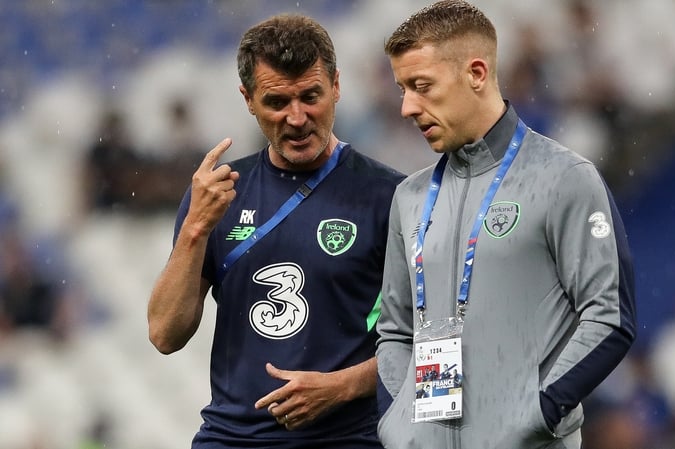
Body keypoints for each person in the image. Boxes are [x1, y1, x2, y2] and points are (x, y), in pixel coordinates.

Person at [374, 2, 636, 448]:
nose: (406, 107)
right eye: (402, 89)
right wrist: (400, 425)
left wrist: (536, 414)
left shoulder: (564, 178)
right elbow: (395, 331)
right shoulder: (410, 198)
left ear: (476, 73)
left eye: (421, 86)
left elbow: (609, 316)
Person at [147, 14, 404, 449]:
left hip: (348, 439)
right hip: (230, 438)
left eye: (311, 96)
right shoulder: (218, 195)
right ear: (247, 99)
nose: (298, 117)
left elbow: (436, 344)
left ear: (337, 86)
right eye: (278, 102)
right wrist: (195, 228)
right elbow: (164, 334)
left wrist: (340, 387)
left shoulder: (393, 197)